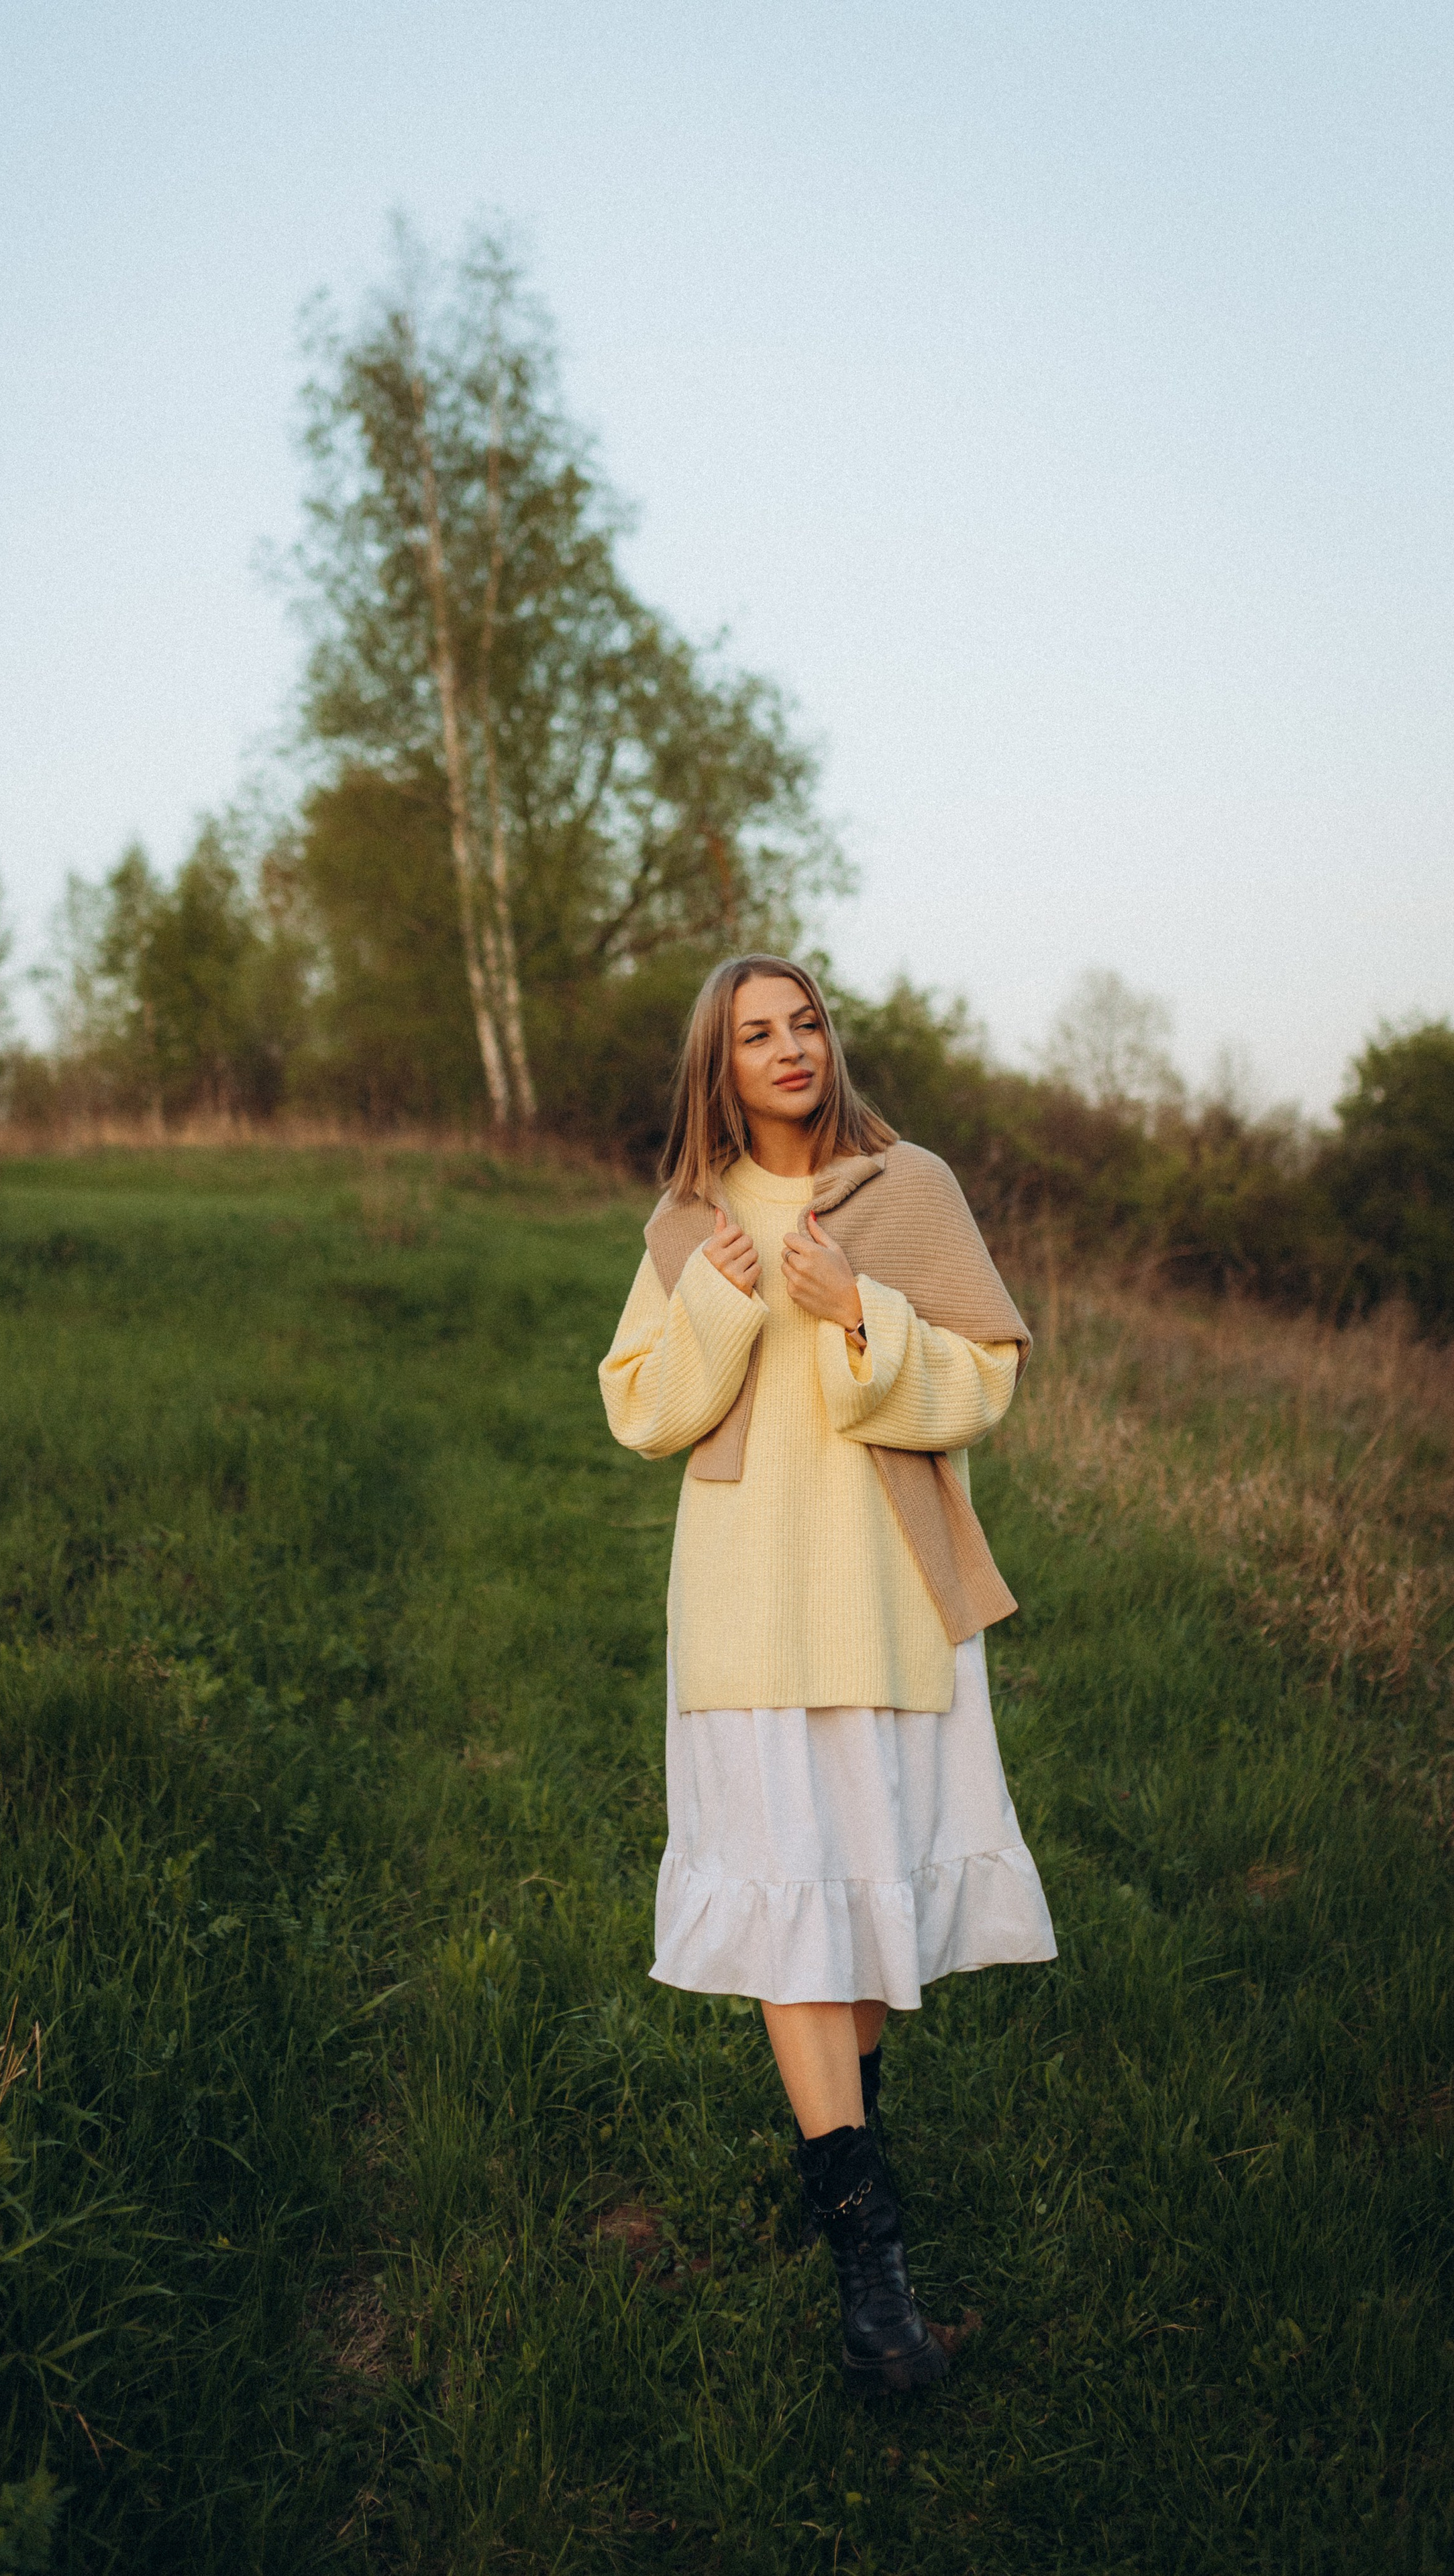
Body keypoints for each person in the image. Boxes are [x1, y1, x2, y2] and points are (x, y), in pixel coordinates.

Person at [598, 955, 1057, 2392]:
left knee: (861, 1911)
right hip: (743, 1607)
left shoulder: (905, 1186)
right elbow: (638, 1409)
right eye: (754, 1033)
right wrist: (724, 1312)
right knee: (799, 1906)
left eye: (802, 1024)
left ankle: (840, 2168)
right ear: (715, 1066)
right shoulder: (688, 1221)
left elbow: (981, 1378)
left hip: (885, 1595)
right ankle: (873, 2275)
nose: (787, 1047)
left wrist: (865, 1309)